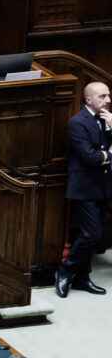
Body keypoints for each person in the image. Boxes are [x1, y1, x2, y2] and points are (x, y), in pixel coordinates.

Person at [56, 81, 111, 297]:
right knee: (91, 233)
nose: (108, 100)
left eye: (108, 96)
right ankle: (65, 270)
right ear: (88, 100)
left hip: (103, 186)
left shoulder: (107, 120)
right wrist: (109, 155)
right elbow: (90, 157)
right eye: (102, 97)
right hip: (84, 187)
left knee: (93, 235)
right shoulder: (77, 123)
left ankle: (82, 278)